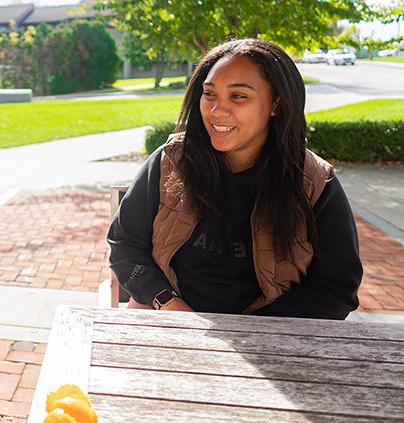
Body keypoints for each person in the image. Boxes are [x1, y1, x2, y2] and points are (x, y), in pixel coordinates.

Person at [108, 38, 362, 320]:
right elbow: (126, 247)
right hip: (172, 320)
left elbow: (336, 287)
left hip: (270, 339)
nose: (217, 110)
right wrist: (171, 306)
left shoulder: (314, 183)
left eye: (238, 96)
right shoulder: (171, 162)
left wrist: (250, 332)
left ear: (276, 103)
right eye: (209, 94)